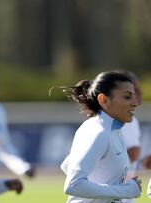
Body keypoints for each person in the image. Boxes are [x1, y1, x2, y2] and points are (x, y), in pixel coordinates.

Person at [58, 71, 142, 203]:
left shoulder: (113, 129)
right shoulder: (99, 132)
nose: (135, 102)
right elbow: (73, 185)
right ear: (104, 100)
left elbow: (67, 165)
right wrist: (124, 191)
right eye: (127, 97)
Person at [116, 71, 142, 203]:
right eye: (134, 90)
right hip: (120, 190)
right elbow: (133, 153)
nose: (139, 93)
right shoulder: (127, 120)